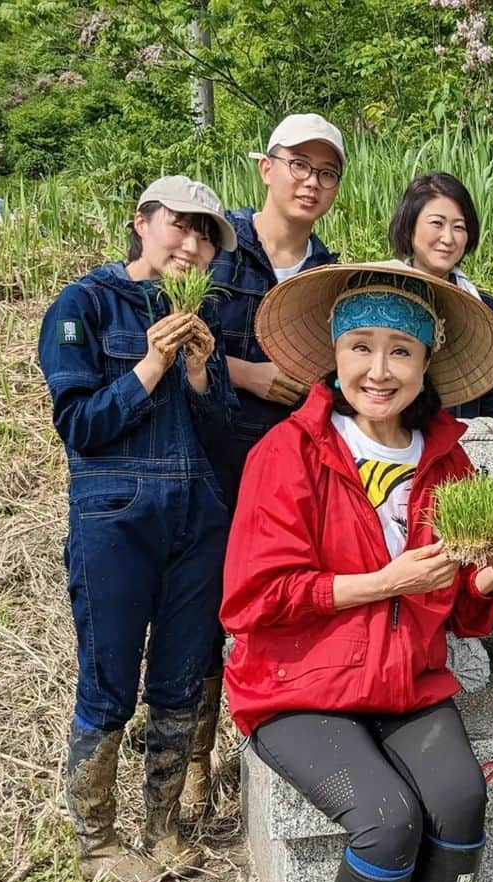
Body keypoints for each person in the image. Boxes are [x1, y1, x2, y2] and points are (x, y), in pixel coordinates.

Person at [220, 262, 493, 882]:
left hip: (405, 682)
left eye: (401, 351)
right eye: (361, 346)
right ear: (334, 352)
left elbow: (460, 611)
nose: (379, 370)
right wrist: (384, 582)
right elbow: (254, 598)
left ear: (427, 365)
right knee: (387, 817)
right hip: (296, 687)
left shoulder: (448, 464)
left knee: (460, 798)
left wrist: (490, 576)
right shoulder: (288, 453)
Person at [38, 176, 237, 882]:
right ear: (141, 224)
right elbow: (80, 426)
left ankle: (162, 828)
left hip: (198, 522)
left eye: (206, 233)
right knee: (109, 680)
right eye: (180, 225)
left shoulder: (200, 323)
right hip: (115, 520)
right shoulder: (85, 304)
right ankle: (97, 842)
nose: (193, 242)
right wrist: (152, 365)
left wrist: (201, 372)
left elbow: (221, 437)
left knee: (181, 678)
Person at [181, 113, 342, 818]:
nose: (311, 181)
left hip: (288, 472)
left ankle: (264, 764)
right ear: (265, 168)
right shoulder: (216, 249)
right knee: (202, 612)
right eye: (298, 165)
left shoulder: (329, 274)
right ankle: (192, 766)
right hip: (209, 458)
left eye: (326, 171)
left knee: (275, 606)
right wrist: (239, 371)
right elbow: (172, 332)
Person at [388, 170, 493, 419]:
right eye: (436, 223)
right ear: (409, 226)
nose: (448, 238)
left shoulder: (484, 308)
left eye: (459, 227)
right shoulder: (380, 295)